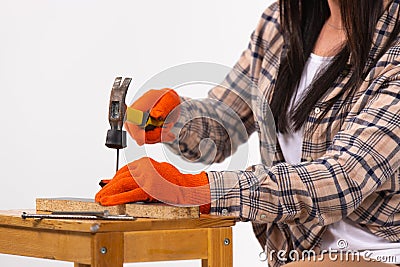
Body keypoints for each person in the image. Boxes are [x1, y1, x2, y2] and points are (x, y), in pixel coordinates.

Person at [95, 0, 400, 266]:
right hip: (296, 254)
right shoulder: (280, 24)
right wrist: (172, 118)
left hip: (380, 253)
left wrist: (197, 190)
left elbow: (341, 180)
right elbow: (222, 127)